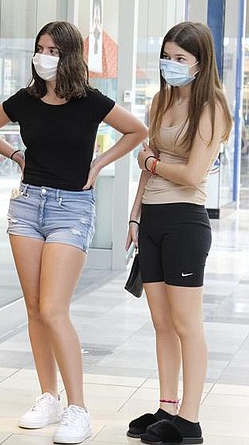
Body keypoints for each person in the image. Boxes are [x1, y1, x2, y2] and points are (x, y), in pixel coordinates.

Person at [0, 21, 146, 444]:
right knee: (33, 308)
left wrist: (100, 164)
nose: (43, 56)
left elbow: (137, 131)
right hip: (28, 205)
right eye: (39, 48)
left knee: (53, 309)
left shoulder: (89, 101)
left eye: (52, 49)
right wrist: (16, 155)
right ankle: (48, 395)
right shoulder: (27, 100)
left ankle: (78, 409)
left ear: (69, 56)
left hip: (72, 208)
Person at [125, 22, 232, 445]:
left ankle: (190, 420)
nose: (170, 65)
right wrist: (135, 217)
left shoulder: (212, 107)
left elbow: (190, 175)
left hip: (185, 221)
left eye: (180, 59)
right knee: (161, 323)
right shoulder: (160, 100)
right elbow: (146, 162)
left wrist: (150, 163)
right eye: (166, 57)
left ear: (199, 63)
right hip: (151, 220)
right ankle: (166, 406)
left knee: (187, 324)